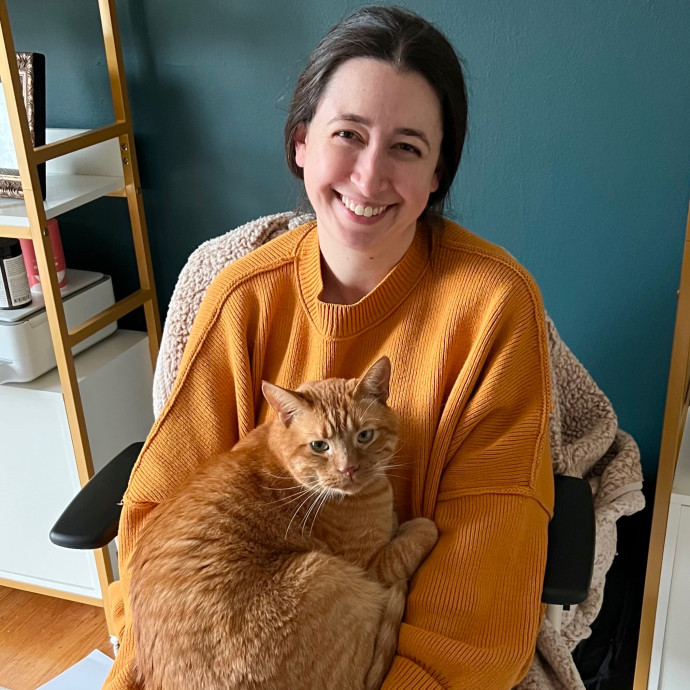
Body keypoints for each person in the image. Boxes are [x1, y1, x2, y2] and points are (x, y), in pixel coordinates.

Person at [104, 6, 554, 689]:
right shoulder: (238, 291)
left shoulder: (493, 305)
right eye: (348, 134)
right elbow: (159, 519)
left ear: (439, 174)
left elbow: (483, 579)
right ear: (301, 144)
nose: (370, 177)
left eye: (407, 147)